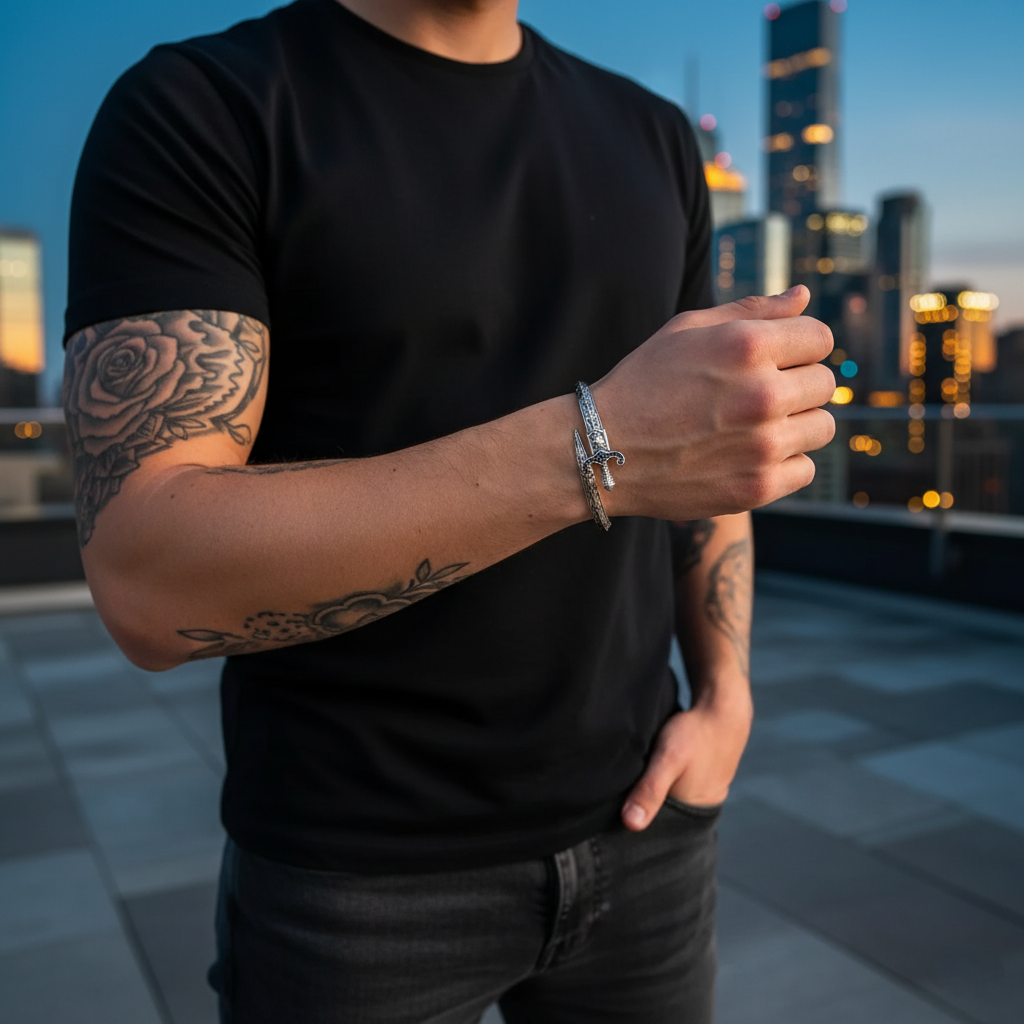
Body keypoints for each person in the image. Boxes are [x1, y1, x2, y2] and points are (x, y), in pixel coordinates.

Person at [62, 1, 835, 1021]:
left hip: (648, 830)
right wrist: (591, 445)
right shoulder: (202, 107)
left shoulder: (651, 134)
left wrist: (726, 695)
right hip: (354, 882)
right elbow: (149, 572)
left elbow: (700, 460)